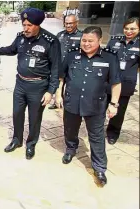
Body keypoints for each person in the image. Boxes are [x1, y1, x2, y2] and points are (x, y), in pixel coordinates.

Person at [0, 8, 61, 160]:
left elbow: (55, 69)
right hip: (20, 84)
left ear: (38, 24)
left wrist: (50, 91)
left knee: (34, 118)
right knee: (17, 114)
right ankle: (17, 140)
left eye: (29, 25)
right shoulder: (21, 37)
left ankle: (31, 144)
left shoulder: (50, 41)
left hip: (38, 87)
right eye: (24, 24)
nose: (25, 28)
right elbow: (11, 50)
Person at [55, 26, 122, 186]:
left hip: (96, 105)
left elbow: (116, 83)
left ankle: (99, 167)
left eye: (90, 41)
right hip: (72, 102)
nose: (86, 44)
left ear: (100, 41)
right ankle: (71, 150)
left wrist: (114, 104)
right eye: (83, 40)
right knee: (70, 130)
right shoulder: (72, 55)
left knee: (96, 137)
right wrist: (58, 94)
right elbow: (61, 77)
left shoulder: (109, 58)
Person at [105, 17, 139, 145]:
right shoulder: (114, 41)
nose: (129, 31)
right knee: (100, 106)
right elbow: (106, 58)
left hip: (126, 83)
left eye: (133, 29)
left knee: (119, 111)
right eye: (126, 28)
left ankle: (113, 133)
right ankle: (96, 128)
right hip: (109, 81)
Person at [49, 14, 82, 110]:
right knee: (59, 84)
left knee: (71, 87)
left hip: (73, 66)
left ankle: (71, 105)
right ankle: (57, 102)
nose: (68, 26)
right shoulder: (60, 34)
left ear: (76, 23)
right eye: (66, 23)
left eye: (71, 23)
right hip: (60, 65)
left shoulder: (81, 36)